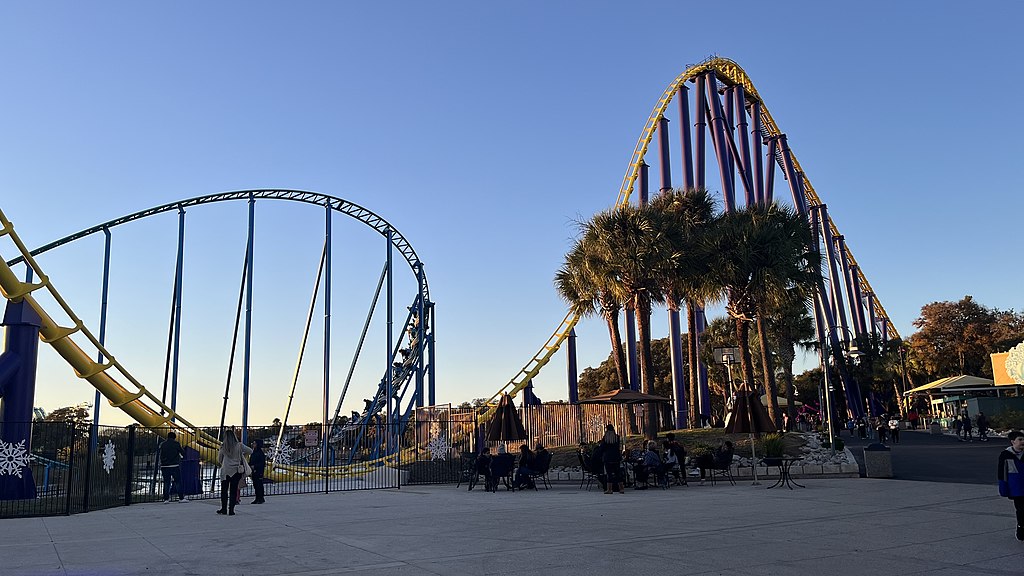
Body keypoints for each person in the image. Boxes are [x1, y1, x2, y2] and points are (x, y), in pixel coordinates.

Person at [217, 428, 253, 516]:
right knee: (233, 490)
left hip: (225, 471)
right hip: (236, 470)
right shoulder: (239, 445)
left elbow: (219, 459)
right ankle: (231, 510)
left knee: (224, 490)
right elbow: (250, 451)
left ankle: (224, 508)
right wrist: (241, 455)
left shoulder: (223, 447)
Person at [997, 430, 1024, 541]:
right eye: (1020, 440)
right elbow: (1002, 473)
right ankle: (1021, 529)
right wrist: (1003, 488)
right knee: (1021, 511)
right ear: (1013, 441)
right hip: (1016, 489)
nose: (1023, 442)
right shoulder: (1005, 455)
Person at [159, 431, 187, 503]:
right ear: (174, 437)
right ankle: (181, 498)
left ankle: (166, 499)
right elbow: (183, 452)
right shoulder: (176, 444)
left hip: (164, 466)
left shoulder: (162, 444)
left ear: (167, 437)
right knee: (178, 482)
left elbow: (161, 455)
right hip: (174, 465)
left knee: (166, 482)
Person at [601, 424, 624, 494]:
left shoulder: (605, 438)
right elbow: (618, 447)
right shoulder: (617, 437)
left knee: (609, 474)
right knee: (618, 473)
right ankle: (621, 488)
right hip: (616, 457)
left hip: (608, 458)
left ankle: (609, 489)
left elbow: (602, 448)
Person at [250, 439, 266, 504]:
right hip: (254, 471)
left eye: (254, 443)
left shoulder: (260, 453)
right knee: (256, 485)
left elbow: (262, 463)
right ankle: (257, 498)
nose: (253, 445)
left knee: (259, 485)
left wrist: (255, 466)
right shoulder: (254, 452)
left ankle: (260, 498)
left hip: (258, 471)